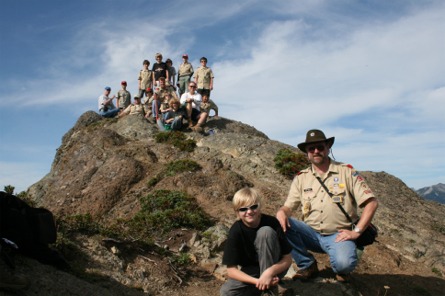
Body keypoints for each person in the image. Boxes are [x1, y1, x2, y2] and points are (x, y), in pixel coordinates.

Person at [276, 129, 379, 282]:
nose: (316, 151)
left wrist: (356, 232)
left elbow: (371, 203)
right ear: (307, 152)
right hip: (311, 233)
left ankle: (342, 267)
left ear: (328, 148)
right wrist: (282, 213)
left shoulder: (346, 172)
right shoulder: (301, 178)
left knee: (343, 265)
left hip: (339, 236)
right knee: (278, 224)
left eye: (320, 147)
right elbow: (288, 206)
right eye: (311, 148)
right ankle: (307, 265)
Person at [220, 187, 292, 296]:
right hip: (252, 272)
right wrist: (259, 281)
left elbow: (287, 259)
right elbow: (231, 270)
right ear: (237, 212)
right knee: (226, 292)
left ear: (259, 206)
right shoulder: (236, 231)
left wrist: (269, 273)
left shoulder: (272, 222)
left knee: (265, 232)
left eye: (253, 207)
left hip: (275, 268)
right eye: (243, 209)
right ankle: (263, 287)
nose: (249, 212)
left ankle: (269, 292)